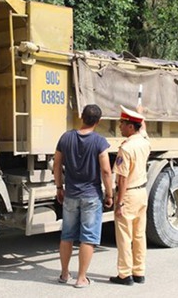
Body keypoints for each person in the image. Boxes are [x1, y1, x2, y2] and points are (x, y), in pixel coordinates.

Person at [54, 104, 113, 288]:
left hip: (71, 194)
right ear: (98, 121)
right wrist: (110, 194)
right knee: (88, 237)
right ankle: (81, 278)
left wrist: (59, 187)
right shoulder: (99, 142)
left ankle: (64, 274)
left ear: (81, 117)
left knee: (67, 235)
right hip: (91, 196)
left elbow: (57, 164)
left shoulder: (66, 138)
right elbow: (105, 170)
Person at [109, 105, 150, 286]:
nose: (120, 127)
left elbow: (122, 180)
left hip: (129, 195)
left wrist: (119, 204)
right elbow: (144, 131)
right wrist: (141, 115)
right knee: (139, 234)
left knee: (125, 236)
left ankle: (125, 274)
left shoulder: (126, 149)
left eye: (123, 124)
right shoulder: (144, 142)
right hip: (142, 192)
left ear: (131, 127)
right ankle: (139, 271)